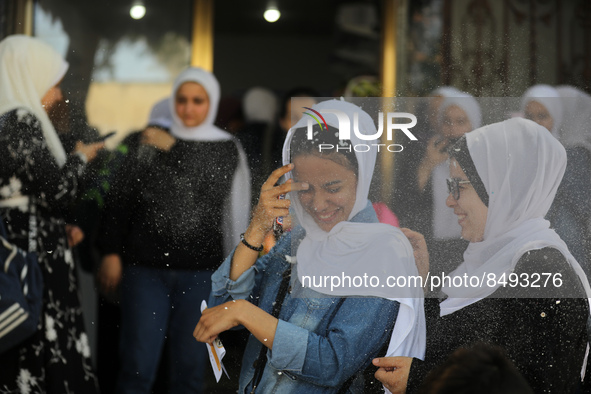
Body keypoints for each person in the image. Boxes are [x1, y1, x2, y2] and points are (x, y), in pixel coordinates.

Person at [194, 99, 425, 393]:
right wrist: (256, 229)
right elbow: (221, 310)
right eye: (304, 188)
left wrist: (246, 313)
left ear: (363, 175)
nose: (317, 204)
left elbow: (333, 364)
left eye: (333, 187)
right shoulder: (299, 238)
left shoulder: (383, 252)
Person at [373, 117, 591, 393]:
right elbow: (459, 339)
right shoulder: (489, 258)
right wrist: (422, 286)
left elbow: (523, 383)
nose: (449, 200)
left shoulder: (543, 271)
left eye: (459, 186)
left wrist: (419, 379)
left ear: (500, 189)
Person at [97, 67, 251, 393]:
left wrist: (175, 149)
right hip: (145, 270)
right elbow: (122, 198)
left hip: (200, 274)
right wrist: (111, 251)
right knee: (137, 364)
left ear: (211, 103)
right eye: (182, 100)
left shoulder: (224, 146)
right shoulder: (150, 139)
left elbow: (213, 196)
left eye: (198, 100)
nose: (188, 108)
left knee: (190, 366)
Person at [0, 35, 103, 393]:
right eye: (53, 82)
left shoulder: (5, 121)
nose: (58, 94)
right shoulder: (19, 121)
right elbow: (57, 191)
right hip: (30, 255)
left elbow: (28, 190)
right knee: (40, 339)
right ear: (29, 75)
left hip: (23, 242)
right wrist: (82, 158)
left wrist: (57, 225)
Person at [394, 92, 481, 277]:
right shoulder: (427, 155)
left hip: (471, 247)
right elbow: (405, 204)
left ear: (474, 123)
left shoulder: (485, 160)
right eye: (447, 121)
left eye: (461, 121)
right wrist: (427, 165)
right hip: (433, 248)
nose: (453, 129)